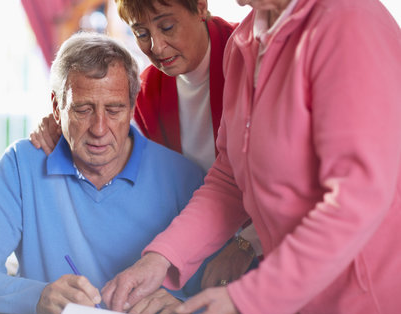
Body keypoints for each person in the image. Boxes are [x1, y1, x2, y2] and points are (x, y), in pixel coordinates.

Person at [102, 0, 401, 314]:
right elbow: (229, 178)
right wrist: (161, 258)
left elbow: (357, 198)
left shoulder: (349, 22)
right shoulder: (245, 40)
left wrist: (249, 299)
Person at [0, 32, 207, 314]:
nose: (99, 128)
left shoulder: (183, 177)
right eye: (83, 109)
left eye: (114, 110)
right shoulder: (21, 166)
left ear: (131, 108)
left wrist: (187, 308)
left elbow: (225, 284)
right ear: (56, 108)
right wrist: (37, 297)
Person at [30, 0, 261, 288]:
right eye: (141, 33)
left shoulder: (249, 51)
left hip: (267, 242)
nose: (158, 47)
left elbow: (284, 175)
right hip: (199, 247)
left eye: (167, 27)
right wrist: (61, 121)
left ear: (201, 6)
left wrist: (247, 243)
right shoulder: (146, 90)